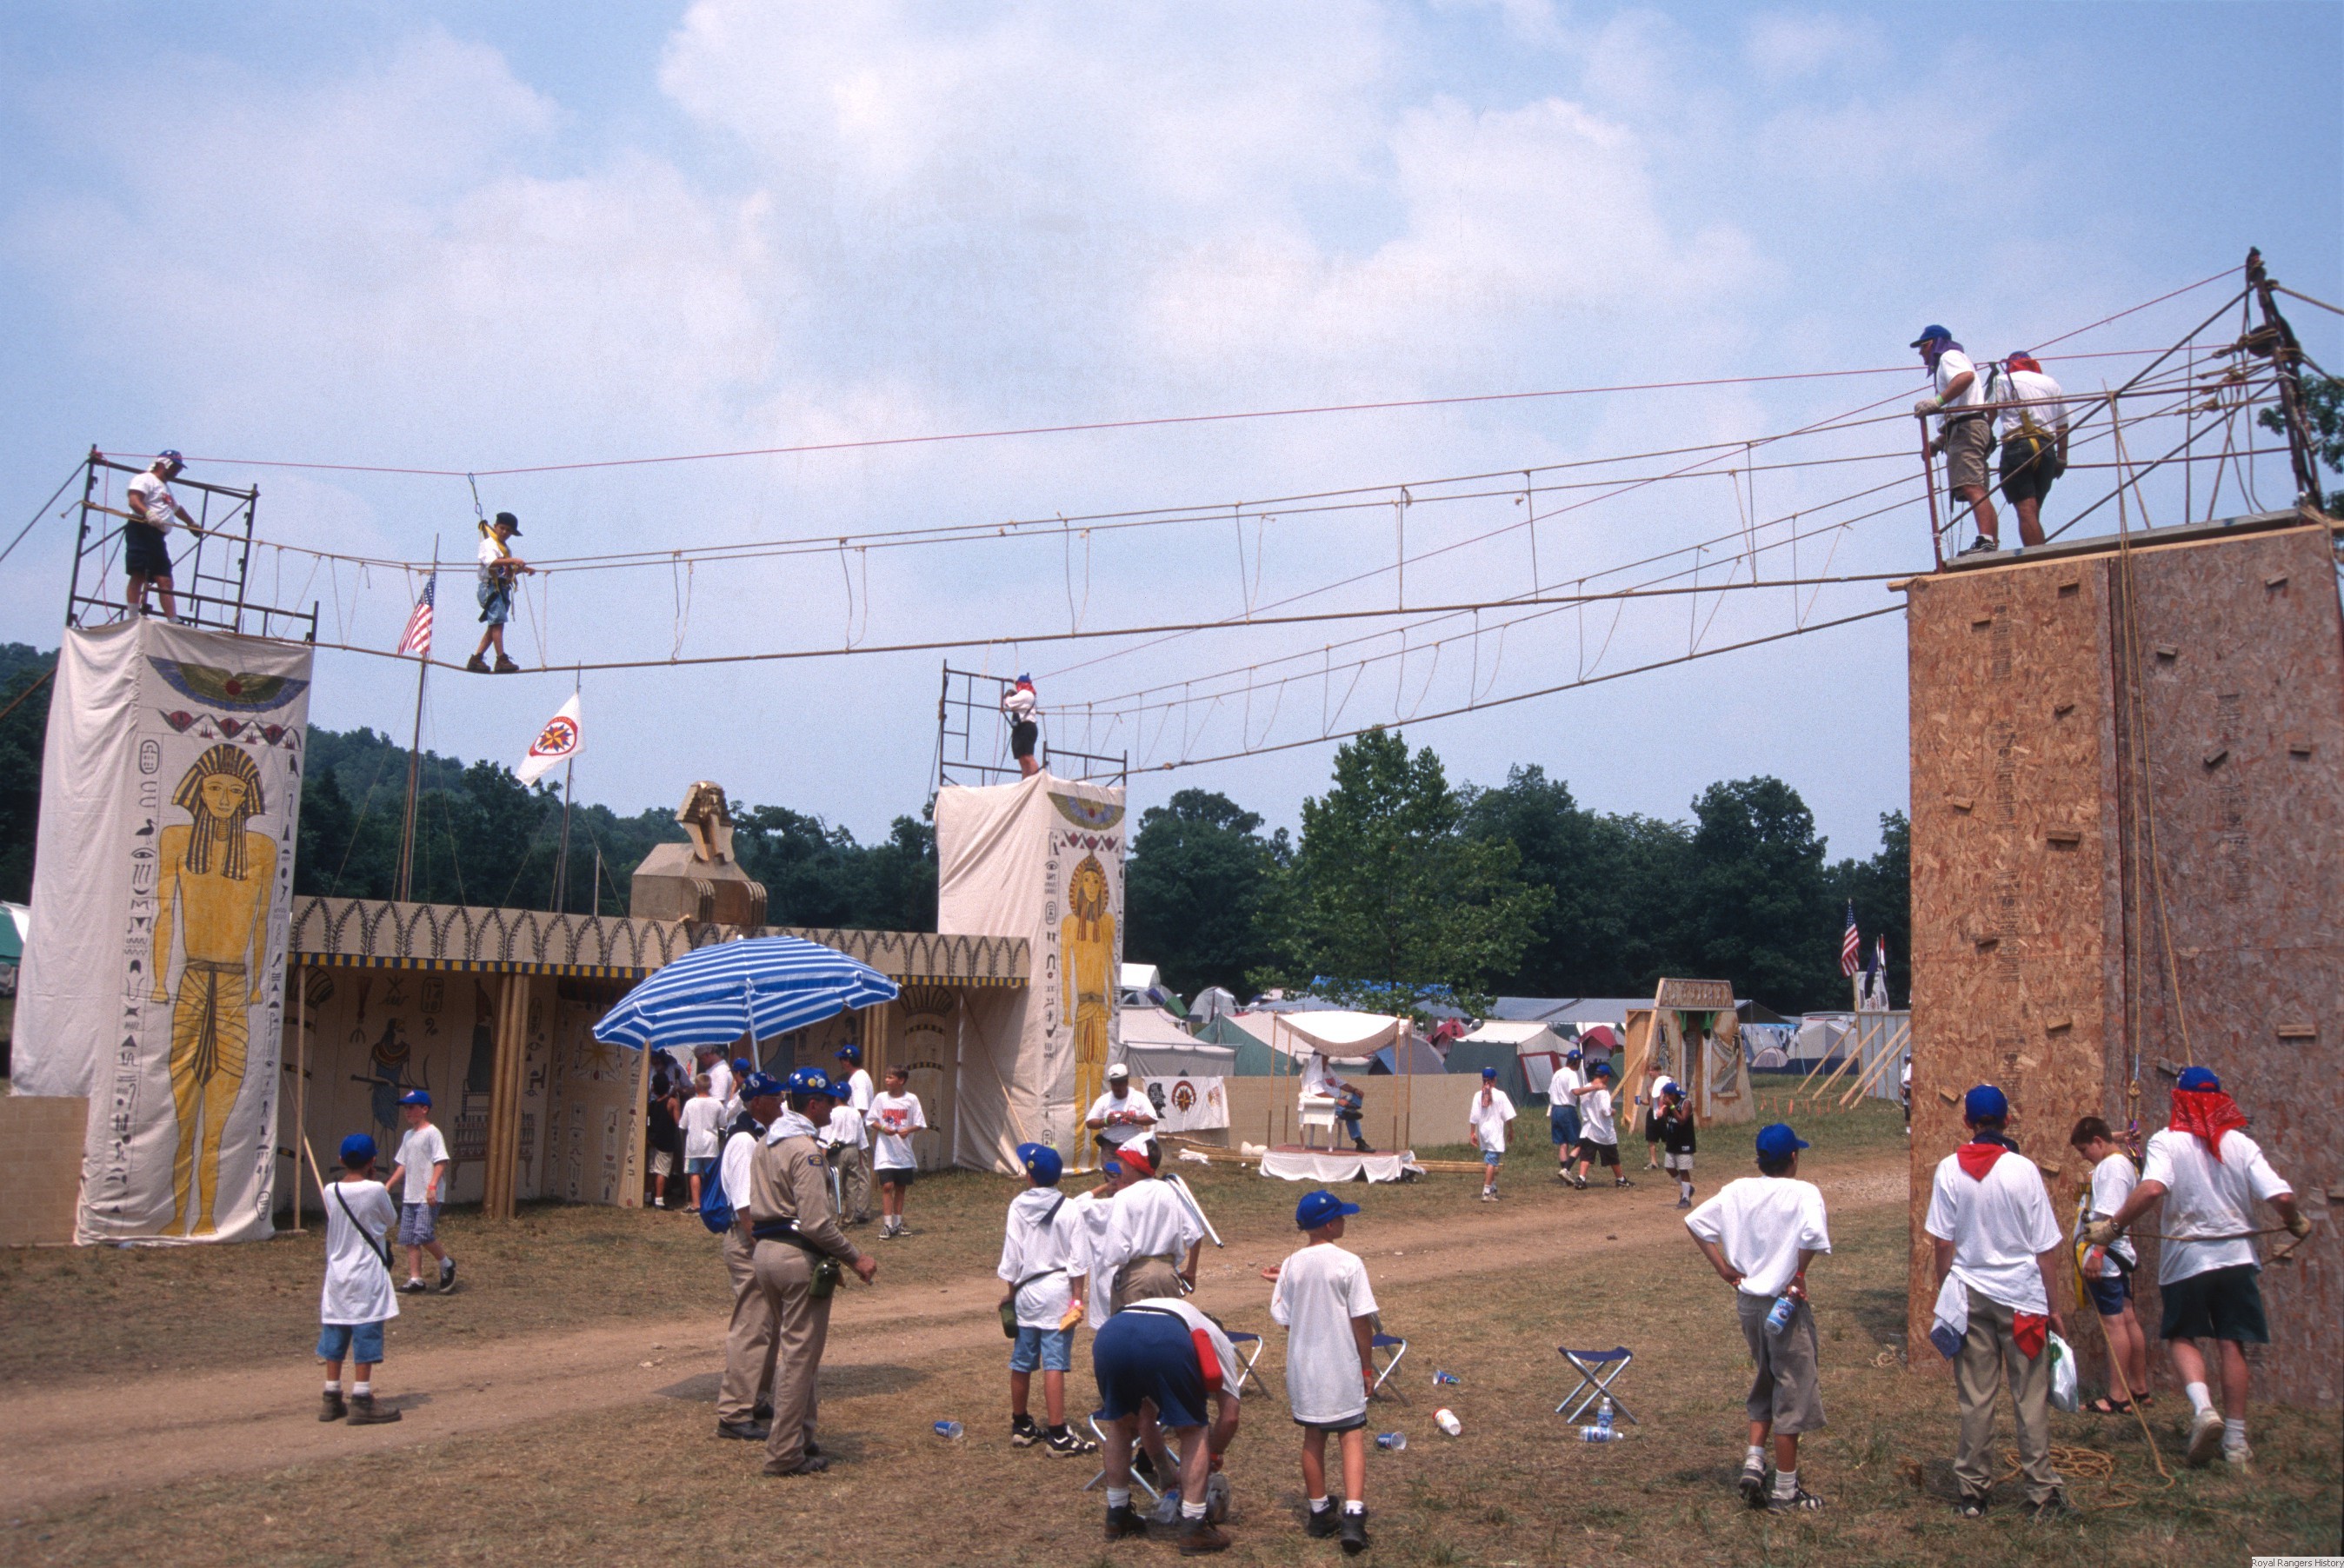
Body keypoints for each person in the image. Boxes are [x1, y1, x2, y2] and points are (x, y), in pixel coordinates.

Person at [2086, 1067, 2308, 1472]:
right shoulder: (2240, 1143)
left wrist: (2111, 1229)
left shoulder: (2167, 1141)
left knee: (2182, 1335)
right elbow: (2281, 1196)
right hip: (2237, 1258)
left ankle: (2204, 1410)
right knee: (2232, 1343)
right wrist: (2293, 1220)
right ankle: (2236, 1443)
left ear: (2179, 1100)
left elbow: (2153, 1188)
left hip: (2187, 1259)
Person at [1925, 1085, 2068, 1518]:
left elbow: (1942, 1242)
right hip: (2023, 1301)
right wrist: (2054, 1308)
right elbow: (2045, 1249)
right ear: (2008, 1120)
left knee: (1976, 1396)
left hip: (1971, 1295)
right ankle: (2042, 1491)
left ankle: (1972, 1492)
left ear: (1967, 1122)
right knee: (2030, 1396)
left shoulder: (1948, 1170)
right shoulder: (2024, 1171)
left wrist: (1948, 1289)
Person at [1685, 1123, 1831, 1512]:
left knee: (1766, 1375)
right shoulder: (1804, 1193)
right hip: (1784, 1305)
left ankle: (1754, 1461)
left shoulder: (1737, 1190)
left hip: (1749, 1302)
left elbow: (1696, 1222)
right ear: (1794, 1158)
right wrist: (1799, 1274)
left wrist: (1723, 1268)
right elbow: (1812, 1237)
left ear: (1760, 1160)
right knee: (1792, 1389)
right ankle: (1785, 1490)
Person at [747, 1066, 876, 1478]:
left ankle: (802, 1436)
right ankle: (785, 1452)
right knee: (800, 1358)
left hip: (766, 1253)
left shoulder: (766, 1142)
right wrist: (856, 1258)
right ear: (814, 1104)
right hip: (796, 1256)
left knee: (799, 1352)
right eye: (830, 1102)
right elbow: (817, 1224)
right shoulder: (805, 1150)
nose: (834, 1108)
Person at [1270, 1189, 1379, 1556]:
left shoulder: (1291, 1265)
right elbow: (1361, 1320)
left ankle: (1318, 1510)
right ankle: (1353, 1514)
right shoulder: (1349, 1263)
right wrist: (1366, 1366)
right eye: (1341, 1217)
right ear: (1330, 1225)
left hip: (1304, 1366)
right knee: (1351, 1435)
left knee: (1313, 1436)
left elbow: (1285, 1318)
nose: (1345, 1221)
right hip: (1340, 1363)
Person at [1092, 1292, 1243, 1554]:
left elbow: (1146, 1419)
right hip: (1166, 1339)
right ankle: (1194, 1526)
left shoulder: (1183, 1314)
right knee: (1193, 1429)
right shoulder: (1217, 1341)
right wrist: (1213, 1455)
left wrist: (1164, 1471)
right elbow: (1230, 1416)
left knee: (1121, 1423)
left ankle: (1117, 1514)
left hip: (1112, 1333)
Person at [997, 1141, 1098, 1455]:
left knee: (1022, 1359)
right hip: (1057, 1291)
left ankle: (1021, 1425)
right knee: (1054, 1362)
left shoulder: (1017, 1206)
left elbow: (1012, 1257)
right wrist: (1077, 1300)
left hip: (1027, 1292)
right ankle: (1057, 1433)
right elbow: (1078, 1260)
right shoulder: (1069, 1208)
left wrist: (1011, 1295)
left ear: (1030, 1177)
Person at [716, 1073, 785, 1440]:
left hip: (760, 1240)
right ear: (757, 1102)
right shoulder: (744, 1141)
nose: (782, 1104)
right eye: (776, 1098)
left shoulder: (759, 1135)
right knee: (752, 1327)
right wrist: (764, 1249)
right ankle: (734, 1412)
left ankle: (756, 1397)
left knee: (768, 1324)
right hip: (750, 1242)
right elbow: (746, 1209)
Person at [2065, 1116, 2150, 1417]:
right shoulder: (2117, 1161)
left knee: (2114, 1325)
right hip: (2117, 1255)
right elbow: (2101, 1140)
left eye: (2084, 1150)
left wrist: (2098, 1254)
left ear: (2098, 1143)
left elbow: (2110, 1219)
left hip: (2108, 1256)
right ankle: (2138, 1388)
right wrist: (2119, 1137)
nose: (2083, 1157)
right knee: (2127, 1319)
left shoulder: (2112, 1169)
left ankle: (2117, 1396)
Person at [316, 1133, 403, 1425]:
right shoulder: (376, 1189)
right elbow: (390, 1220)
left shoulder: (331, 1190)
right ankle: (362, 1397)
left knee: (336, 1330)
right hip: (367, 1272)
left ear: (341, 1160)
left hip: (337, 1273)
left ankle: (331, 1396)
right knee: (366, 1330)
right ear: (372, 1161)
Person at [1910, 326, 2000, 554]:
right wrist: (1939, 442)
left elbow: (1966, 377)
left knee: (1971, 486)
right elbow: (1961, 407)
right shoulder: (1952, 359)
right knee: (1977, 487)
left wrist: (1937, 401)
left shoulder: (1949, 356)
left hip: (1966, 429)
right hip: (1967, 427)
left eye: (1922, 346)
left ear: (1933, 343)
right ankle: (1990, 541)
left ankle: (1987, 541)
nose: (1920, 353)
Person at [1095, 1137, 1204, 1312]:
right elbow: (1195, 1234)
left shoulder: (1124, 1197)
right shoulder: (1170, 1191)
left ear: (1131, 1165)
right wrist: (1191, 1271)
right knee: (1166, 1325)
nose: (1120, 1166)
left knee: (1132, 1328)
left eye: (1122, 1161)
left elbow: (1116, 1251)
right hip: (1167, 1276)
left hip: (1135, 1279)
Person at [1993, 353, 2068, 548]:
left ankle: (2038, 558)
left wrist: (1983, 445)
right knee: (2033, 510)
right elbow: (2062, 425)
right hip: (2047, 448)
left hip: (2018, 445)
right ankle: (2040, 553)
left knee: (2026, 510)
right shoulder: (2050, 383)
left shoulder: (2003, 380)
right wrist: (2062, 459)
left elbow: (1990, 415)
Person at [384, 1089, 455, 1294]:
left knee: (423, 1233)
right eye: (405, 1108)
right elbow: (403, 1164)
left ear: (424, 1109)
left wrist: (432, 1186)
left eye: (411, 1107)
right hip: (411, 1195)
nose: (407, 1112)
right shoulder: (408, 1135)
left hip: (427, 1195)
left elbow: (441, 1161)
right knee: (409, 1237)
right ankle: (416, 1279)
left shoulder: (433, 1133)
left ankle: (447, 1263)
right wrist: (388, 1185)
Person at [123, 449, 198, 621]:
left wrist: (191, 523)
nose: (177, 472)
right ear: (165, 464)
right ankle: (133, 616)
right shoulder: (145, 479)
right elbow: (134, 500)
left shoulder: (165, 488)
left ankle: (173, 619)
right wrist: (148, 514)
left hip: (157, 536)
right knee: (138, 573)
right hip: (141, 529)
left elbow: (176, 508)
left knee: (164, 578)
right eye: (175, 467)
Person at [868, 1064, 927, 1239]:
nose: (886, 1080)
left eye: (890, 1077)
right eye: (886, 1077)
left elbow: (920, 1123)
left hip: (903, 1153)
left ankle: (898, 1223)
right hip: (885, 1151)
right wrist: (883, 1128)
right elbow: (871, 1120)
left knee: (901, 1187)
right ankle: (887, 1225)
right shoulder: (881, 1098)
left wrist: (908, 1129)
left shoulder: (911, 1099)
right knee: (887, 1186)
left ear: (901, 1080)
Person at [467, 512, 530, 674]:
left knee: (494, 625)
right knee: (498, 623)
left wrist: (523, 569)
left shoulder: (505, 549)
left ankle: (477, 658)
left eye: (508, 530)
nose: (504, 532)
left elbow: (506, 570)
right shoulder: (488, 544)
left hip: (501, 588)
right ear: (495, 527)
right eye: (502, 528)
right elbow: (492, 563)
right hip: (490, 588)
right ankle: (501, 658)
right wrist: (513, 560)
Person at [1568, 1062, 1626, 1189]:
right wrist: (1612, 1111)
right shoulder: (1603, 1091)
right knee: (1613, 1156)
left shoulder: (1586, 1088)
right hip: (1603, 1129)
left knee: (1586, 1156)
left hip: (1589, 1129)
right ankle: (1620, 1179)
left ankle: (1581, 1179)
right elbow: (1605, 1111)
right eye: (1608, 1077)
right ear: (1605, 1077)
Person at [822, 1089, 873, 1227]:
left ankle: (834, 1218)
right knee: (852, 1185)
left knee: (834, 1185)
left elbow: (825, 1136)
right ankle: (850, 1218)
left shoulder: (832, 1112)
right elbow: (862, 1138)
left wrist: (823, 1155)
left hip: (836, 1150)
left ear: (836, 1097)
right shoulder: (855, 1113)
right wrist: (861, 1156)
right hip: (853, 1149)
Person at [1465, 1066, 1516, 1202]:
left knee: (1489, 1161)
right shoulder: (1500, 1095)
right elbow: (1507, 1116)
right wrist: (1511, 1130)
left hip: (1484, 1133)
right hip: (1494, 1133)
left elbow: (1474, 1116)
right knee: (1492, 1162)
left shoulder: (1478, 1095)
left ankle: (1492, 1188)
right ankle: (1486, 1191)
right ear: (1495, 1079)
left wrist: (1472, 1133)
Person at [1086, 1062, 1160, 1155]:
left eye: (1120, 1084)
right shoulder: (1104, 1100)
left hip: (1134, 1147)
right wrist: (1106, 1121)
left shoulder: (1139, 1097)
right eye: (1114, 1084)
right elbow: (1089, 1123)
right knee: (1111, 1165)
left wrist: (1133, 1119)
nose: (1117, 1088)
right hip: (1111, 1148)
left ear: (1126, 1082)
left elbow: (1153, 1118)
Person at [679, 1073, 725, 1210]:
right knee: (710, 1174)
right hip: (711, 1144)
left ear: (696, 1087)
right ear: (710, 1086)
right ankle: (710, 1202)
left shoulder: (690, 1104)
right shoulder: (717, 1104)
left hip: (694, 1143)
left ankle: (696, 1204)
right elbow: (723, 1124)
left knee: (694, 1173)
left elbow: (683, 1125)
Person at [1656, 1081, 1699, 1209]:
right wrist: (1665, 1110)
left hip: (1685, 1142)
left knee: (1683, 1169)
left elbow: (1681, 1120)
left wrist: (1671, 1107)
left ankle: (1686, 1198)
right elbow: (1668, 1121)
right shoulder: (1669, 1107)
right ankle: (1688, 1188)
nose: (1665, 1098)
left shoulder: (1686, 1103)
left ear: (1672, 1095)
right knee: (1669, 1167)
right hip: (1673, 1141)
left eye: (1667, 1095)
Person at [647, 1069, 683, 1209]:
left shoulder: (652, 1104)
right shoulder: (672, 1102)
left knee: (651, 1170)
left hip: (653, 1139)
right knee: (662, 1171)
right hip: (666, 1140)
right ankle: (659, 1200)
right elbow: (678, 1121)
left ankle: (647, 1196)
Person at [1548, 1049, 1585, 1179]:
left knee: (1563, 1143)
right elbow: (1576, 1091)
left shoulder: (1557, 1073)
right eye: (1579, 1062)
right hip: (1567, 1110)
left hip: (1555, 1110)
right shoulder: (1572, 1074)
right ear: (1576, 1062)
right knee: (1580, 1143)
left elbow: (1550, 1092)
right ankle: (1566, 1169)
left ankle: (1565, 1175)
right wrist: (1592, 1088)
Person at [1003, 674, 1042, 778]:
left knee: (1028, 756)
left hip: (1026, 727)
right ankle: (1026, 781)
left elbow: (1008, 702)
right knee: (1023, 758)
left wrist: (1008, 696)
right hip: (1023, 727)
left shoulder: (1025, 693)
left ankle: (1036, 779)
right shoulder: (1029, 695)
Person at [833, 1043, 874, 1113]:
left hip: (860, 1120)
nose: (840, 1063)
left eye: (841, 1059)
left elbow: (861, 1109)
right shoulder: (859, 1076)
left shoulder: (858, 1078)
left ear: (847, 1061)